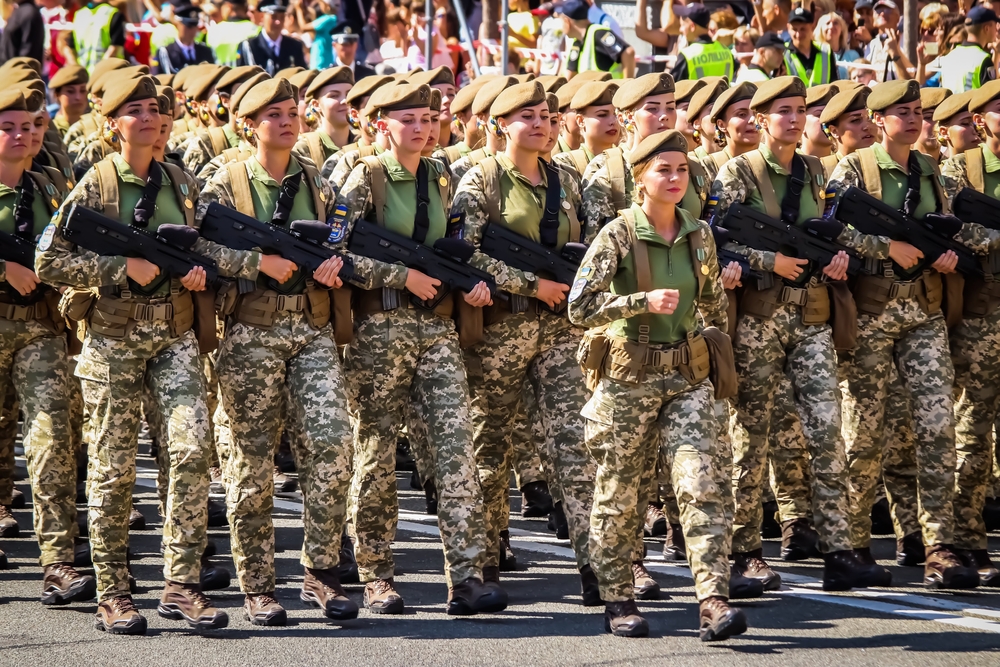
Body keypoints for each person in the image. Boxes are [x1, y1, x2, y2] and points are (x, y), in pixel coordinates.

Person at [36, 74, 243, 635]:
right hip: (114, 341)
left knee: (193, 450)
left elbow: (201, 248)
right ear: (112, 123)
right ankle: (114, 592)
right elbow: (48, 261)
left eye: (155, 109)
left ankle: (181, 584)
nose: (148, 118)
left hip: (174, 335)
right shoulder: (95, 185)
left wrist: (199, 275)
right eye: (135, 111)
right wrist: (117, 268)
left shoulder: (179, 180)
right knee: (112, 469)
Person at [709, 76, 894, 595]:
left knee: (826, 431)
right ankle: (743, 553)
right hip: (760, 319)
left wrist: (838, 258)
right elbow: (716, 244)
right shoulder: (736, 173)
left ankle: (840, 550)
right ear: (761, 119)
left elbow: (828, 234)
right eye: (782, 111)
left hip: (811, 317)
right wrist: (772, 260)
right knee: (750, 438)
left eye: (799, 110)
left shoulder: (815, 170)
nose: (793, 119)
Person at [332, 81, 508, 616]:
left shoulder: (442, 175)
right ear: (381, 125)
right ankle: (376, 575)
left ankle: (468, 575)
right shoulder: (363, 178)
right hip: (378, 330)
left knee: (455, 450)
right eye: (407, 119)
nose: (422, 128)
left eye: (427, 119)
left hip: (435, 330)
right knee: (377, 454)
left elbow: (452, 252)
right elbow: (334, 256)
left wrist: (469, 284)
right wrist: (399, 276)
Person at [568, 128, 747, 641]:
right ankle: (618, 598)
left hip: (686, 375)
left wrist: (708, 353)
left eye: (682, 170)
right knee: (620, 492)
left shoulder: (699, 233)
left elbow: (712, 304)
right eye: (663, 170)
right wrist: (637, 303)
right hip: (628, 381)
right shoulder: (619, 234)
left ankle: (713, 601)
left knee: (700, 484)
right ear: (639, 178)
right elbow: (578, 308)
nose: (674, 179)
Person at [198, 76, 357, 626]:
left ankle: (321, 570)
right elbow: (197, 247)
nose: (287, 122)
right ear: (249, 123)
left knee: (335, 446)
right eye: (274, 115)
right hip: (250, 331)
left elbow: (343, 245)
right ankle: (258, 585)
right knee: (250, 463)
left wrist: (336, 268)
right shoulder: (224, 183)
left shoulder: (320, 183)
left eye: (292, 112)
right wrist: (256, 264)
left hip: (311, 328)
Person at [827, 78, 986, 590]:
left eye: (918, 110)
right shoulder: (855, 166)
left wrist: (945, 254)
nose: (913, 119)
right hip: (873, 311)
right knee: (864, 433)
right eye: (902, 111)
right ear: (879, 119)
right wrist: (884, 248)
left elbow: (950, 228)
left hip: (923, 310)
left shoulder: (930, 169)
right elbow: (833, 228)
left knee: (937, 428)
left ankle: (938, 544)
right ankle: (850, 545)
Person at [450, 80, 600, 603]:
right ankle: (485, 561)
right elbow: (462, 254)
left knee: (577, 446)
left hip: (561, 330)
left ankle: (596, 565)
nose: (539, 124)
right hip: (501, 331)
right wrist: (530, 284)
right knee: (488, 451)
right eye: (526, 117)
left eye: (546, 115)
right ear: (500, 125)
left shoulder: (569, 180)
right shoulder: (479, 182)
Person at [0, 87, 96, 610]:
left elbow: (76, 252)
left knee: (51, 440)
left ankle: (58, 562)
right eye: (12, 126)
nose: (25, 135)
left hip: (41, 328)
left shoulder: (53, 186)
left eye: (34, 125)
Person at [940, 79, 1000, 588]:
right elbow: (954, 227)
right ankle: (966, 540)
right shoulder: (959, 170)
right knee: (972, 432)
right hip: (980, 319)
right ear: (980, 121)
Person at [552, 80, 620, 184]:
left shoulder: (626, 159)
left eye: (615, 114)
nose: (613, 121)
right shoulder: (565, 164)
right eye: (602, 115)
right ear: (580, 120)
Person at [697, 81, 760, 182]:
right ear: (721, 125)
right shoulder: (707, 168)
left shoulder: (776, 161)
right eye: (742, 114)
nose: (753, 119)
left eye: (756, 114)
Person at [558, 0, 635, 80]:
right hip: (593, 91)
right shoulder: (577, 41)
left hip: (610, 90)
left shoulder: (599, 33)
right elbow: (570, 73)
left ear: (567, 21)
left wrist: (626, 86)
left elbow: (628, 52)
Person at [294, 66, 354, 167]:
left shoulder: (363, 145)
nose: (344, 100)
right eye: (334, 95)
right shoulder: (303, 150)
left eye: (349, 94)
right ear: (316, 105)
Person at [818, 84, 876, 177]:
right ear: (834, 131)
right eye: (855, 120)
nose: (867, 126)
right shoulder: (822, 171)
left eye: (870, 118)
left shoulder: (888, 166)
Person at [237, 0, 307, 76]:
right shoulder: (249, 46)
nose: (278, 22)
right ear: (262, 17)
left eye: (282, 17)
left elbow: (302, 76)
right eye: (273, 17)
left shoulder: (295, 46)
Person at [937, 6, 998, 93]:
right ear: (986, 28)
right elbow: (991, 95)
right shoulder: (983, 59)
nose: (997, 30)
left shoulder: (949, 56)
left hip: (949, 106)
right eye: (995, 25)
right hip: (973, 106)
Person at [671, 3, 737, 82]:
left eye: (682, 25)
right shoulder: (727, 52)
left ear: (692, 26)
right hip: (725, 94)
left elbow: (672, 86)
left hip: (697, 95)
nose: (680, 30)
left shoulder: (687, 55)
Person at [784, 7, 838, 86]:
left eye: (803, 29)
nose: (798, 34)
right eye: (794, 29)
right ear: (788, 28)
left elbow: (834, 82)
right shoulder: (782, 52)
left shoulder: (826, 50)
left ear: (812, 27)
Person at [156, 4, 215, 75]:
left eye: (195, 26)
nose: (192, 31)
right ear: (178, 24)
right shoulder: (166, 53)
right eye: (188, 26)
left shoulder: (205, 51)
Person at [70, 0, 126, 74]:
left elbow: (70, 48)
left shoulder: (79, 14)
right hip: (107, 73)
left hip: (84, 75)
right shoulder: (113, 13)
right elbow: (114, 48)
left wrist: (78, 72)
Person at [864, 0, 913, 83]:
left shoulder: (907, 41)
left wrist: (895, 52)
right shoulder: (871, 45)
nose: (882, 14)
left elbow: (913, 77)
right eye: (878, 11)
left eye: (888, 11)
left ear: (898, 17)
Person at [685, 77, 729, 161]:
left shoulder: (740, 159)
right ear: (697, 123)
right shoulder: (690, 163)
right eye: (712, 110)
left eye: (724, 110)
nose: (720, 115)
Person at [207, 0, 260, 68]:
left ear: (229, 6)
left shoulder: (214, 31)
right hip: (247, 76)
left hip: (220, 76)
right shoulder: (256, 29)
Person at [934, 90, 982, 159]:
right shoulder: (938, 169)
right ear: (944, 132)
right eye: (965, 123)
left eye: (975, 122)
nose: (976, 128)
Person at [815, 11, 861, 80]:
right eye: (827, 23)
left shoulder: (853, 55)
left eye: (835, 23)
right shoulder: (814, 54)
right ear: (820, 29)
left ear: (842, 29)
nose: (831, 26)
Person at [50, 65, 90, 138]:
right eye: (70, 91)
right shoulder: (50, 130)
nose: (78, 97)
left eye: (83, 90)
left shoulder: (97, 127)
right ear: (57, 94)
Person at [916, 87, 953, 164]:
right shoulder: (903, 167)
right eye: (929, 117)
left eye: (944, 119)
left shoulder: (954, 166)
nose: (937, 125)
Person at [802, 83, 837, 158]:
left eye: (834, 115)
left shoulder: (845, 163)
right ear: (801, 122)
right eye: (820, 115)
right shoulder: (788, 165)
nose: (829, 119)